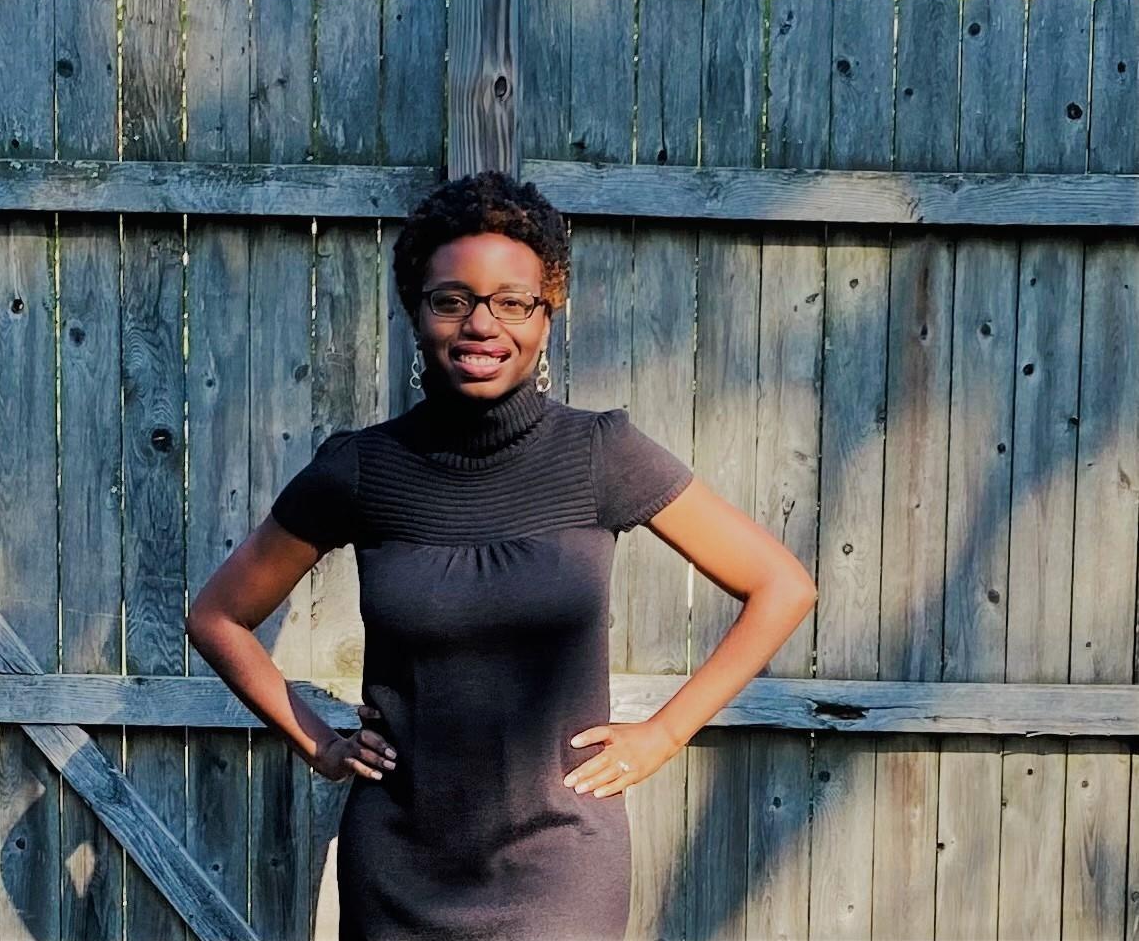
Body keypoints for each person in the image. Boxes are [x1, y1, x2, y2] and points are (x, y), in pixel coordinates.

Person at [186, 169, 817, 940]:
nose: (482, 324)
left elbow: (780, 585)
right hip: (397, 861)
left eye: (512, 302)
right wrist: (318, 743)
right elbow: (217, 616)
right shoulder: (361, 470)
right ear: (416, 313)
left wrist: (664, 733)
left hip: (560, 864)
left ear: (546, 317)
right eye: (451, 300)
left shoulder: (600, 454)